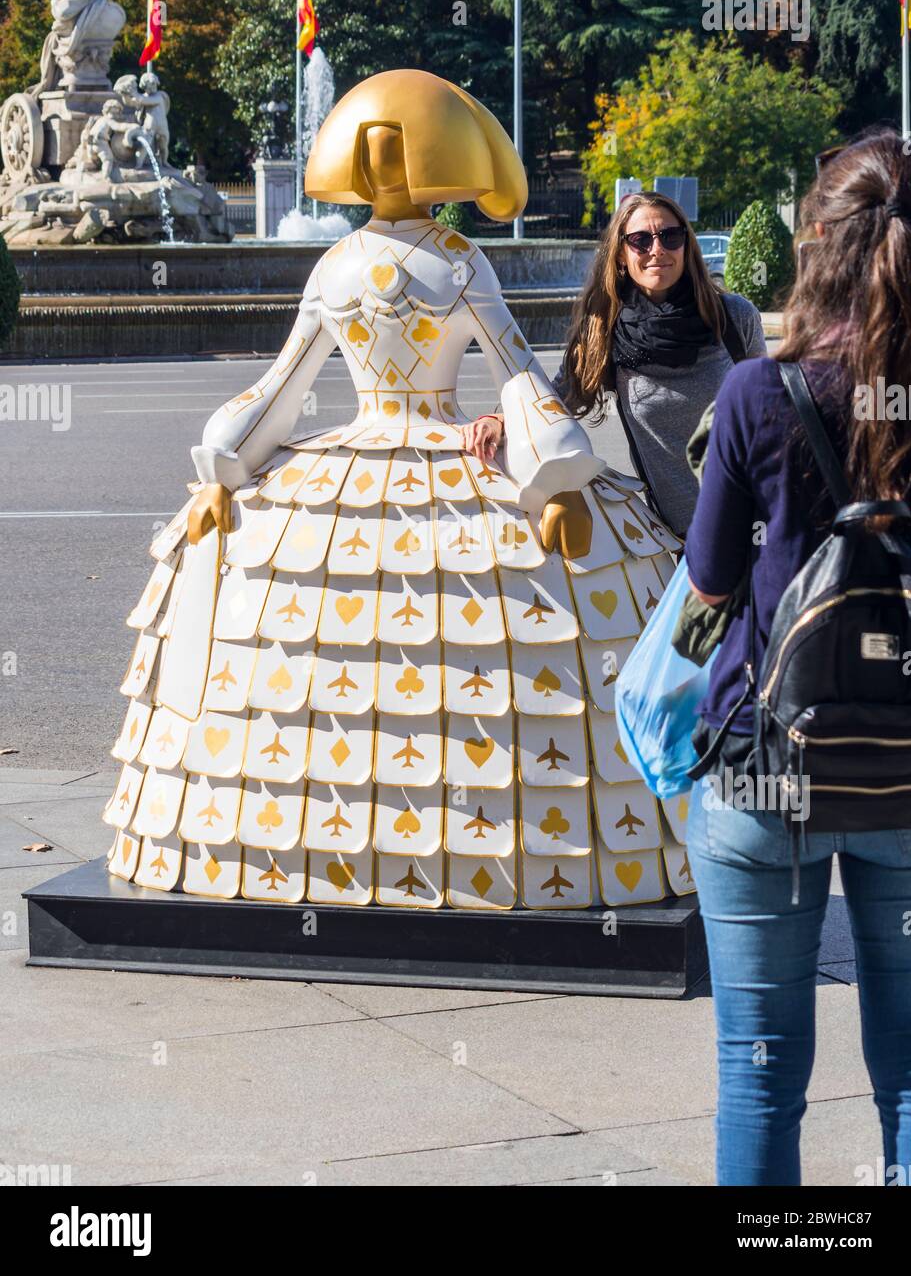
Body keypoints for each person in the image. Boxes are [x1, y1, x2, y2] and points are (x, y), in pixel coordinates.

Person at [98, 69, 690, 912]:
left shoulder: (340, 263)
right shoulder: (457, 261)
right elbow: (516, 372)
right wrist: (557, 468)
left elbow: (282, 390)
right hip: (441, 446)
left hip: (365, 452)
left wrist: (225, 461)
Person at [682, 129, 911, 1186]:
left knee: (760, 1063)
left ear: (813, 241)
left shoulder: (753, 393)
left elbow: (706, 585)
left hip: (765, 763)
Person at [461, 192, 766, 537]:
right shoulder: (606, 331)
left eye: (671, 235)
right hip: (682, 534)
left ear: (686, 244)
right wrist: (498, 418)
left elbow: (770, 409)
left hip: (757, 515)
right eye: (640, 240)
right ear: (621, 255)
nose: (658, 249)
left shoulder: (734, 316)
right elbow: (557, 400)